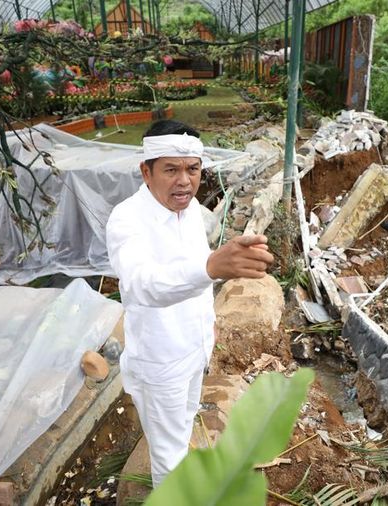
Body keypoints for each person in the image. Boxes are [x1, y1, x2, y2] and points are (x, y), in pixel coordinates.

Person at [106, 120, 274, 488]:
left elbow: (196, 284)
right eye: (171, 170)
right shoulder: (128, 219)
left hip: (195, 348)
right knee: (167, 457)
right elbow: (141, 284)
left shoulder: (191, 211)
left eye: (193, 169)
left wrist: (207, 322)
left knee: (182, 428)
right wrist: (212, 265)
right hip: (161, 362)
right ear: (146, 172)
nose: (184, 180)